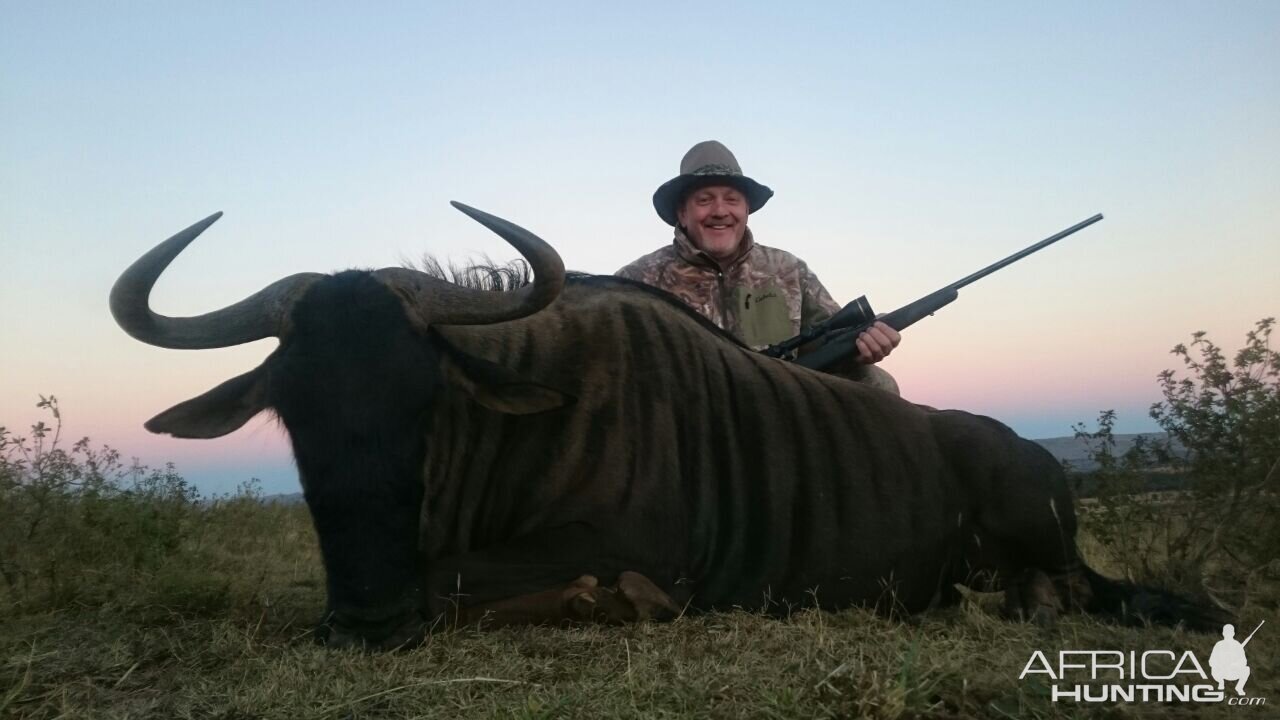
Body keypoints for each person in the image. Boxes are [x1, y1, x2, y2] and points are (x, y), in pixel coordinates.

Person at [616, 140, 901, 393]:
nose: (719, 211)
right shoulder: (638, 281)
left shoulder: (788, 270)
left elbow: (832, 337)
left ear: (746, 210)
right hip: (685, 420)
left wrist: (866, 342)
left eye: (732, 199)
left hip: (778, 405)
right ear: (682, 212)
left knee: (877, 383)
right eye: (704, 200)